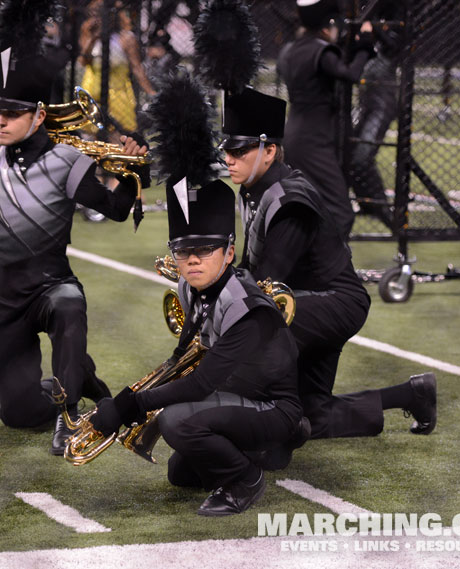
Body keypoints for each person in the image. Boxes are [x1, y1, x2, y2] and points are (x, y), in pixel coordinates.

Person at [88, 87, 306, 514]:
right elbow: (185, 358)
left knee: (176, 420)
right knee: (180, 473)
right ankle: (257, 452)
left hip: (272, 406)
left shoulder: (246, 306)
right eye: (183, 251)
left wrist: (130, 403)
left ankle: (247, 480)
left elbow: (203, 383)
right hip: (238, 396)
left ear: (228, 252)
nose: (191, 260)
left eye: (204, 251)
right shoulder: (192, 288)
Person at [0, 30, 150, 454]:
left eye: (12, 113)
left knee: (69, 304)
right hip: (6, 300)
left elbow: (116, 209)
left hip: (51, 286)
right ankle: (81, 378)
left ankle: (69, 418)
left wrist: (135, 172)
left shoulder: (68, 161)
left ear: (40, 115)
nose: (1, 121)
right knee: (17, 415)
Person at [220, 85, 437, 440]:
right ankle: (413, 394)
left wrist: (218, 291)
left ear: (270, 151)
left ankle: (248, 426)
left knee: (254, 329)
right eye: (226, 150)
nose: (229, 158)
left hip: (333, 302)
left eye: (239, 150)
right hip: (308, 300)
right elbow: (253, 266)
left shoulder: (290, 201)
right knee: (313, 414)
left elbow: (266, 281)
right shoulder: (253, 189)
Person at [277, 0, 375, 238]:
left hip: (294, 134)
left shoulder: (291, 50)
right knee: (341, 213)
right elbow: (349, 74)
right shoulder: (322, 51)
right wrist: (364, 48)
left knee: (308, 207)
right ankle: (322, 268)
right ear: (325, 25)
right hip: (314, 141)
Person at [349, 1, 405, 230]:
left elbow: (395, 47)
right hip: (365, 103)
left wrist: (374, 28)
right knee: (349, 154)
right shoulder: (368, 16)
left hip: (383, 104)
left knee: (362, 156)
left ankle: (384, 211)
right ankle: (368, 203)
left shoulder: (397, 21)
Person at [78, 0, 156, 136]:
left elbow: (137, 68)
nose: (98, 18)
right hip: (92, 95)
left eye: (101, 14)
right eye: (95, 14)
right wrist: (94, 37)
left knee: (121, 139)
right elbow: (83, 61)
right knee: (90, 141)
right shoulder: (87, 30)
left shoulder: (126, 39)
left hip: (118, 97)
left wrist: (152, 93)